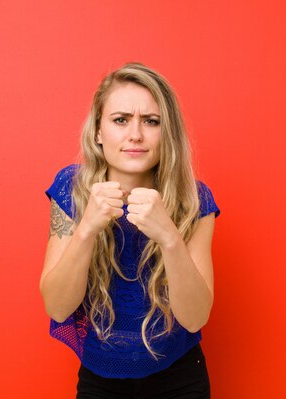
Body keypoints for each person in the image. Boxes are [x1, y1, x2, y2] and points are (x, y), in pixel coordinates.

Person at [40, 62, 220, 399]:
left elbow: (195, 318)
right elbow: (57, 307)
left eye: (151, 122)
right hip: (100, 379)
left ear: (167, 133)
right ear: (98, 131)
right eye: (120, 120)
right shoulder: (72, 189)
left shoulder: (194, 200)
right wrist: (87, 230)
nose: (135, 134)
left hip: (179, 377)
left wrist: (169, 237)